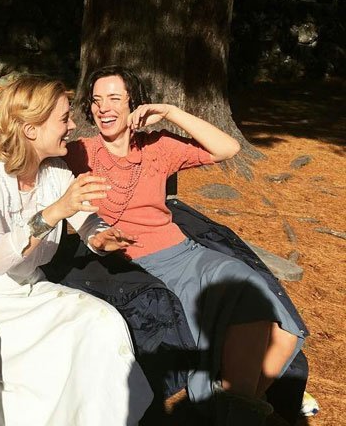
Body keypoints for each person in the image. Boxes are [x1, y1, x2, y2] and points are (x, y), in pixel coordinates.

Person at [62, 65, 306, 425]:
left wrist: (171, 112)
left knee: (252, 290)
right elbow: (28, 167)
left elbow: (228, 148)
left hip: (183, 253)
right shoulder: (79, 153)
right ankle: (236, 411)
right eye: (97, 100)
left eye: (114, 98)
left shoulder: (158, 146)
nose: (104, 108)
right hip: (131, 263)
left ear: (134, 103)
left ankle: (231, 407)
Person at [0, 76, 153, 426]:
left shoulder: (55, 172)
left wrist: (102, 238)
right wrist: (55, 211)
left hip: (33, 292)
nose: (72, 126)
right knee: (55, 358)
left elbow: (88, 223)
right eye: (64, 119)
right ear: (30, 129)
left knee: (102, 324)